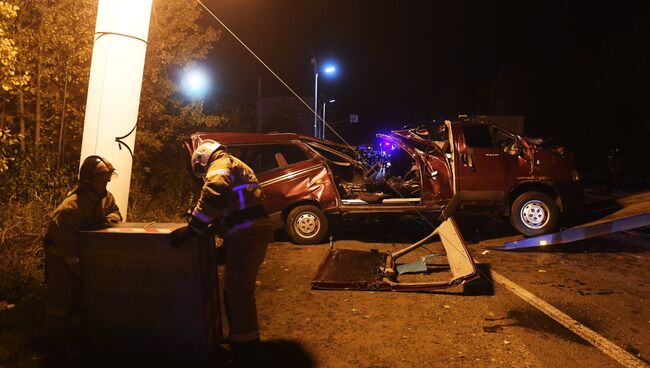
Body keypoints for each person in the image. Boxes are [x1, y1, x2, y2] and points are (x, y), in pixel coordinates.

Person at [172, 139, 273, 367]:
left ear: (203, 158)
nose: (203, 174)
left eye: (201, 170)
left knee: (237, 292)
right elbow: (233, 204)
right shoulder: (235, 164)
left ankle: (246, 353)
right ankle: (245, 344)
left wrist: (193, 229)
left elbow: (215, 192)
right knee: (238, 290)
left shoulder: (220, 165)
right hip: (250, 230)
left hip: (246, 231)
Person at [43, 155, 122, 360]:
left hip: (82, 254)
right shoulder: (71, 207)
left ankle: (78, 344)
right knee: (59, 303)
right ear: (88, 180)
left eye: (107, 176)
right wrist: (77, 266)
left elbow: (114, 211)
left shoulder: (105, 197)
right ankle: (55, 349)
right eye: (102, 177)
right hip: (61, 255)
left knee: (80, 299)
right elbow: (63, 239)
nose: (107, 180)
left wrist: (112, 218)